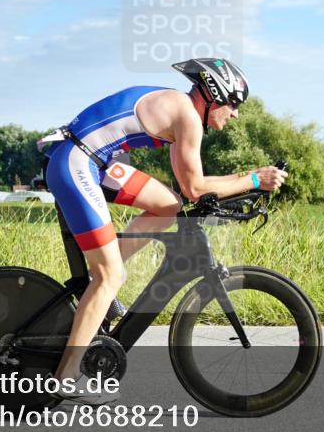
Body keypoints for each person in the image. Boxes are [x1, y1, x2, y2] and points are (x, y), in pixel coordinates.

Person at [38, 57, 287, 403]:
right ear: (214, 93)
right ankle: (66, 376)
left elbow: (186, 192)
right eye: (233, 104)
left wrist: (247, 180)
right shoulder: (187, 116)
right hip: (76, 162)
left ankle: (106, 273)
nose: (235, 114)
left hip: (90, 158)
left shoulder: (180, 108)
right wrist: (256, 179)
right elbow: (197, 189)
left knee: (168, 205)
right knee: (108, 277)